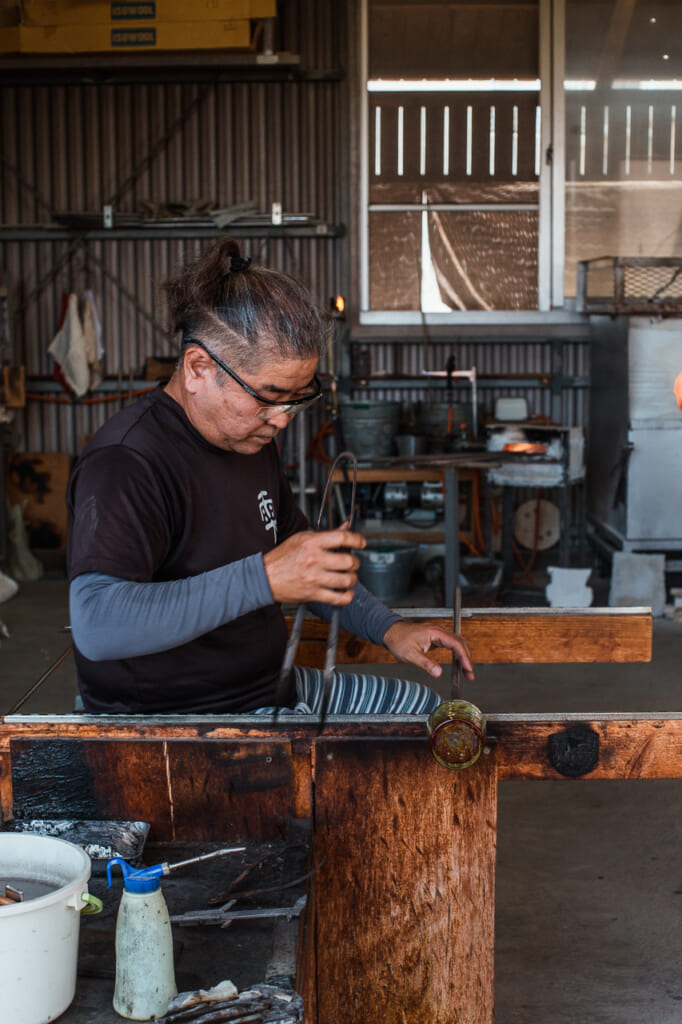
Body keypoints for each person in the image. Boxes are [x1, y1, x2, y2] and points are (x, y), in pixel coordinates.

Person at [66, 238, 474, 715]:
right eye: (269, 395)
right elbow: (97, 625)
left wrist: (388, 628)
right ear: (199, 368)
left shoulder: (247, 437)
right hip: (185, 721)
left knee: (427, 713)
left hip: (267, 685)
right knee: (386, 753)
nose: (282, 419)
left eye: (297, 398)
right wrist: (265, 578)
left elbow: (307, 561)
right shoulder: (127, 462)